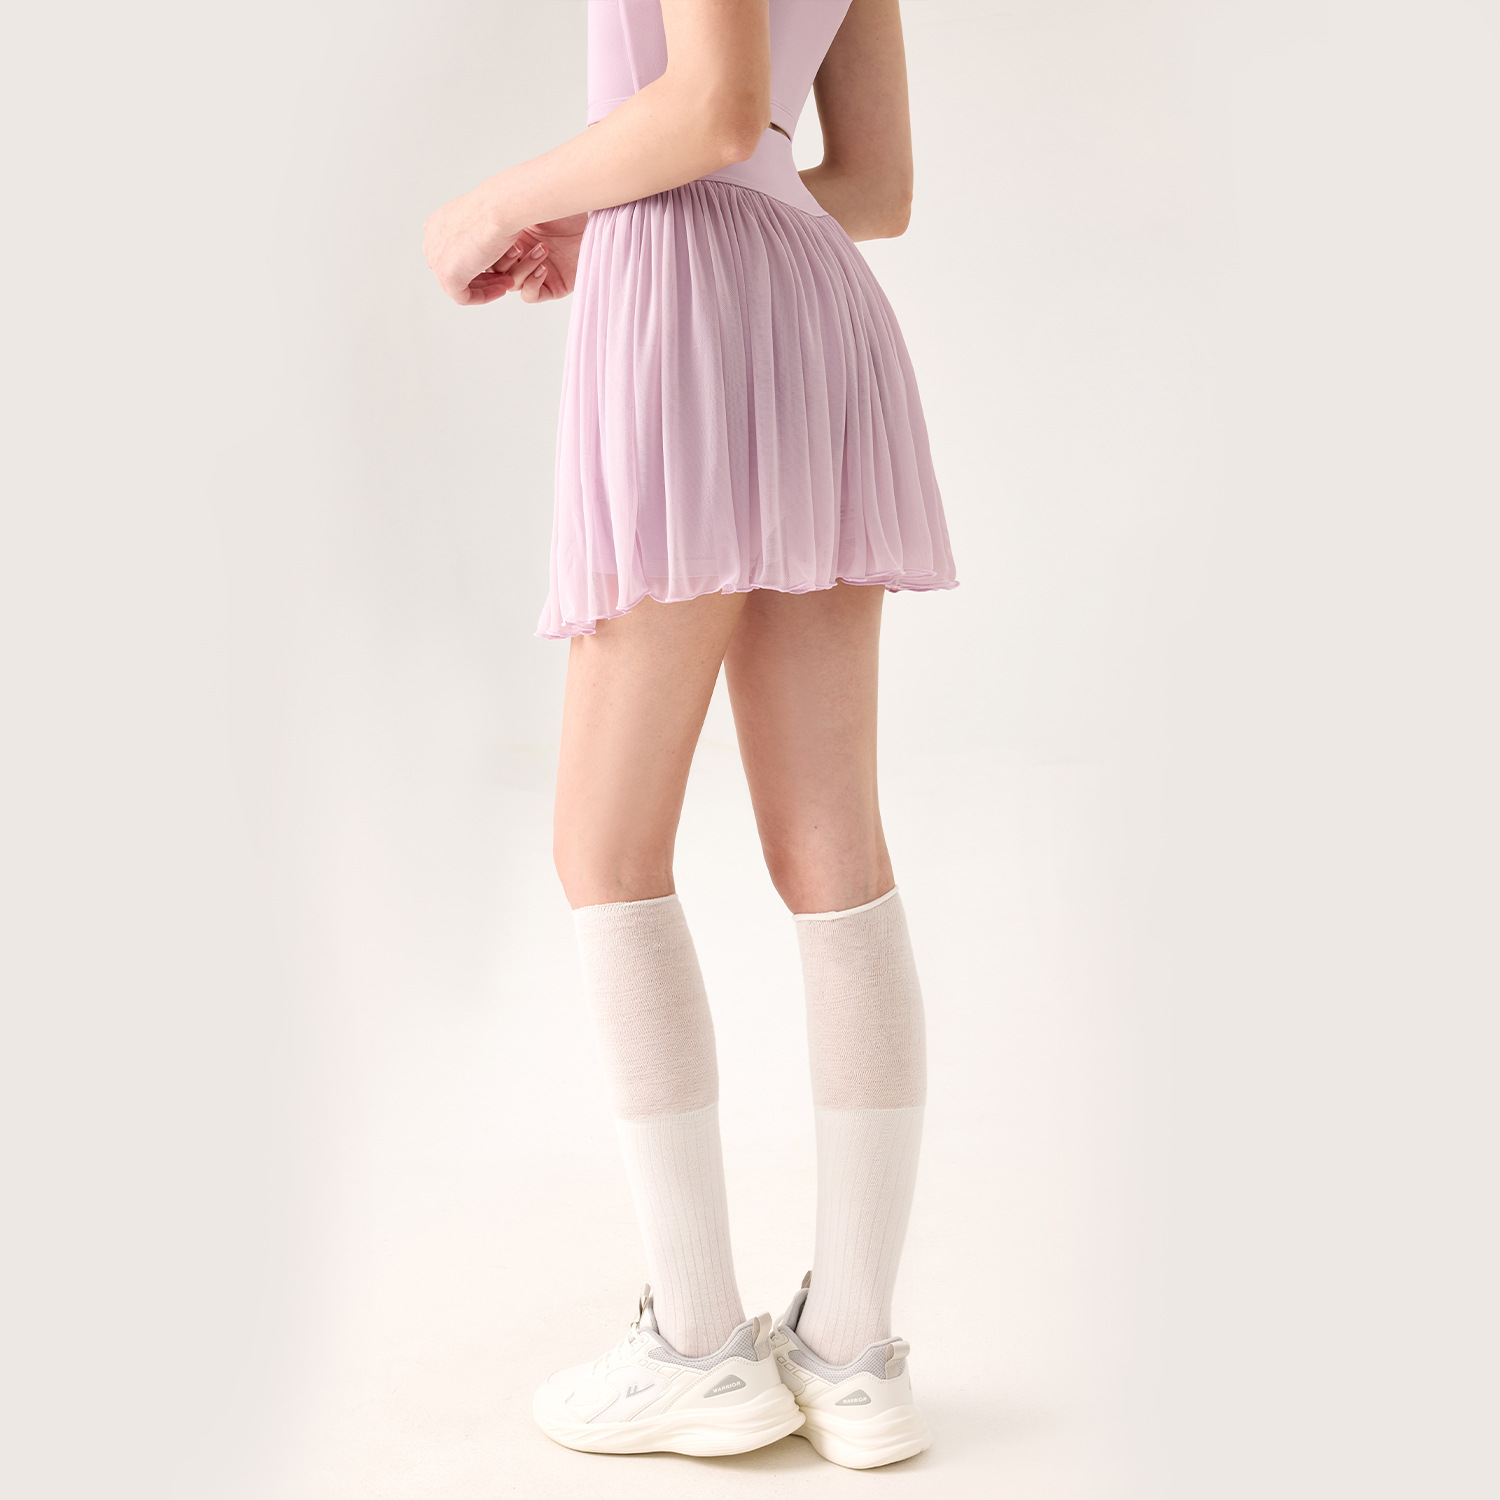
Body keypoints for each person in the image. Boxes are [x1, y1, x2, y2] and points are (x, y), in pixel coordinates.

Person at [423, 0, 956, 1469]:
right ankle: (855, 1356)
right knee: (834, 847)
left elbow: (711, 112)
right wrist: (614, 207)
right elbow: (870, 186)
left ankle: (704, 1348)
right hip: (813, 305)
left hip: (688, 315)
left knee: (604, 846)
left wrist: (498, 202)